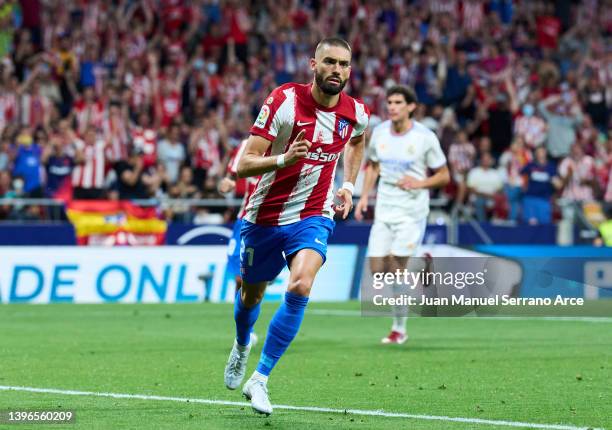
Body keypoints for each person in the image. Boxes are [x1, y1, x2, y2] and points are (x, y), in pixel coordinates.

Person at [223, 37, 369, 415]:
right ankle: (241, 344)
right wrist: (285, 159)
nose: (337, 70)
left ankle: (260, 378)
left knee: (302, 282)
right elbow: (244, 164)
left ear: (350, 70)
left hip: (314, 215)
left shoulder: (355, 112)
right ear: (313, 64)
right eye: (330, 62)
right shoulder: (284, 101)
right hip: (264, 217)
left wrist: (349, 185)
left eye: (344, 64)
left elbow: (357, 141)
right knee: (250, 296)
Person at [355, 85, 450, 345]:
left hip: (411, 213)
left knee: (396, 271)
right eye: (390, 102)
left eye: (398, 102)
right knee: (378, 270)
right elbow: (373, 165)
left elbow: (444, 175)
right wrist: (364, 196)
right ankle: (422, 262)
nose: (392, 107)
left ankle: (399, 329)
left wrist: (419, 184)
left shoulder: (425, 137)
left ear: (411, 107)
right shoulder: (380, 133)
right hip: (385, 210)